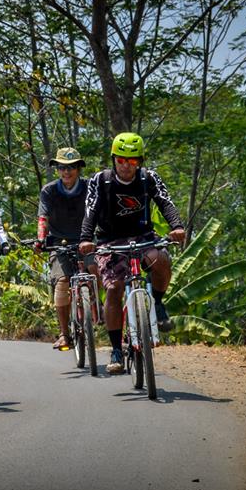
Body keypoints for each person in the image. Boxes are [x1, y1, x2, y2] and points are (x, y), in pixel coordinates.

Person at [78, 132, 185, 374]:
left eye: (133, 161)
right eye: (121, 160)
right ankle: (116, 350)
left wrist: (177, 226)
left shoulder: (149, 178)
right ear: (114, 159)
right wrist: (85, 239)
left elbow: (165, 202)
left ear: (140, 161)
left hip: (143, 237)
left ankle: (158, 302)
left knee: (161, 260)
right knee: (114, 289)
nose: (126, 166)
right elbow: (90, 211)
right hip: (110, 241)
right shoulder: (100, 180)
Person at [33, 147, 91, 350]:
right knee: (62, 282)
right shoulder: (49, 191)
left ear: (79, 169)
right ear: (57, 169)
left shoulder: (89, 187)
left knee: (97, 270)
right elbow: (43, 218)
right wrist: (41, 239)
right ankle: (65, 334)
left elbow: (100, 211)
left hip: (87, 239)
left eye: (71, 167)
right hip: (60, 242)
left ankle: (97, 307)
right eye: (62, 167)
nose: (67, 172)